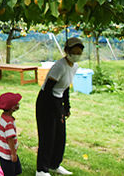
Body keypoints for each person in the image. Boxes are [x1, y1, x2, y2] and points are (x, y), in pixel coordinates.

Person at [35, 37, 84, 176]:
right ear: (66, 51)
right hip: (46, 102)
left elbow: (65, 87)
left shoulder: (74, 67)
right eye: (74, 51)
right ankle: (41, 170)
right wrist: (57, 111)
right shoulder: (59, 66)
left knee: (60, 136)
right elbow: (49, 89)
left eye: (79, 52)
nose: (76, 54)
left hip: (58, 100)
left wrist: (66, 107)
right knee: (47, 136)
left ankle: (54, 164)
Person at [0, 92, 22, 176]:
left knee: (17, 170)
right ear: (12, 108)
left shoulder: (4, 116)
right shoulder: (9, 123)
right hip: (7, 154)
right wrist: (13, 154)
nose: (19, 104)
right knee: (10, 173)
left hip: (1, 150)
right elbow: (9, 138)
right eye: (17, 104)